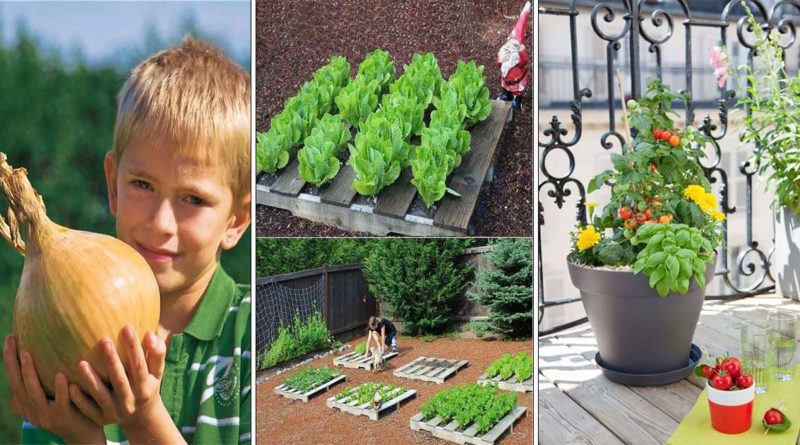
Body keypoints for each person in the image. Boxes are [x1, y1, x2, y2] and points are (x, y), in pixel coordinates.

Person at [3, 37, 252, 444]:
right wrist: (78, 435)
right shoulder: (59, 339)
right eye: (142, 184)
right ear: (113, 185)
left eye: (193, 198)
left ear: (236, 221)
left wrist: (142, 420)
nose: (160, 222)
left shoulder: (249, 334)